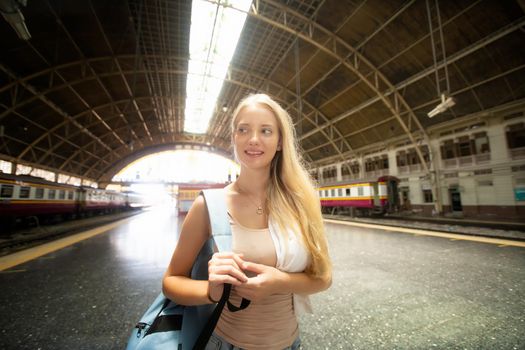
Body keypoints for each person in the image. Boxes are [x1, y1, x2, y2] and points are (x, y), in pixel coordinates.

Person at [162, 93, 332, 349]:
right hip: (225, 343)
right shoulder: (209, 205)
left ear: (279, 142)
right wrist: (211, 291)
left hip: (290, 344)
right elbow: (171, 281)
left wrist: (280, 282)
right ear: (234, 138)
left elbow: (324, 277)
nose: (253, 139)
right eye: (244, 130)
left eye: (265, 131)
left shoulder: (301, 203)